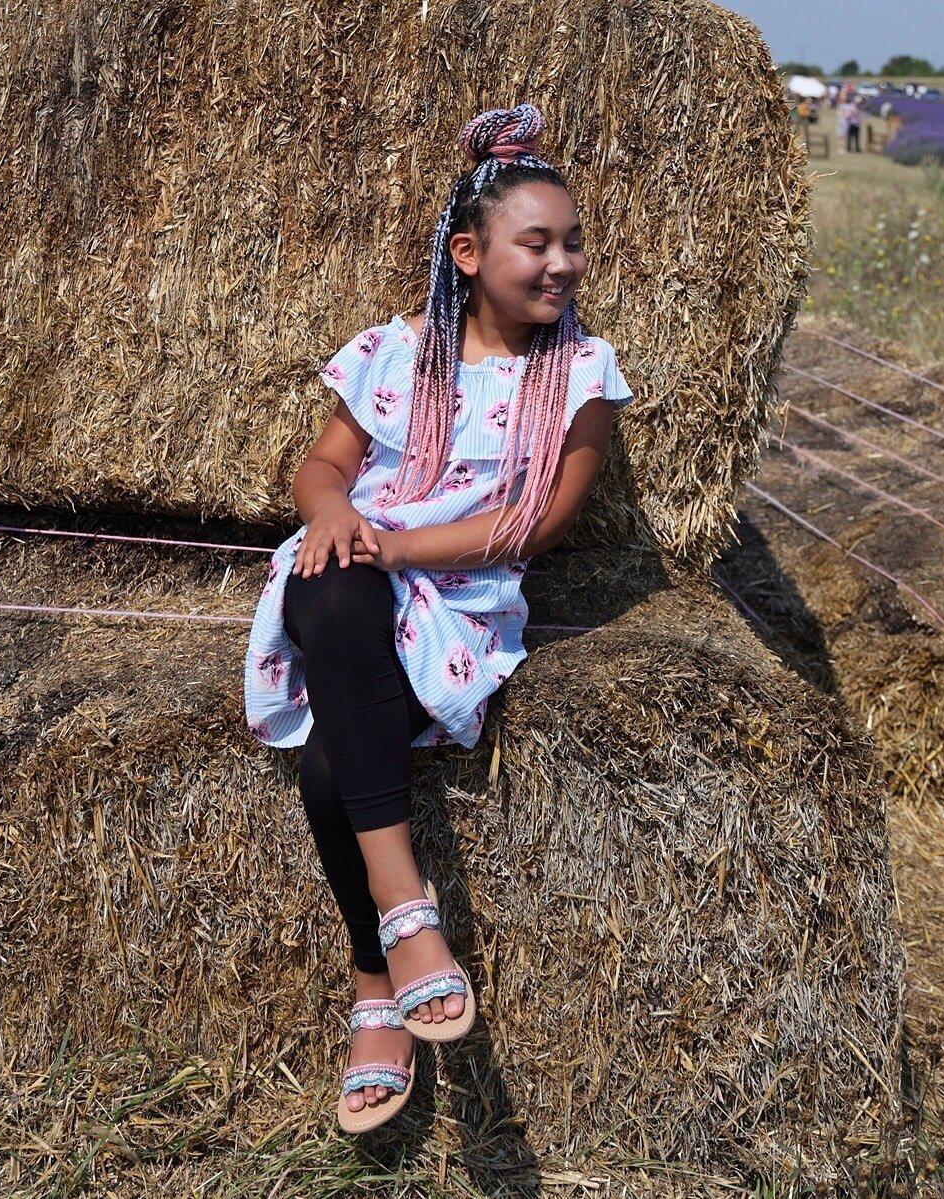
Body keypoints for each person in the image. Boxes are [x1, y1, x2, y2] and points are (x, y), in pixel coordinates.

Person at [244, 102, 634, 1134]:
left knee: (334, 759)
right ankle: (408, 913)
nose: (563, 263)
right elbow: (322, 466)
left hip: (458, 589)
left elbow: (532, 527)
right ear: (467, 252)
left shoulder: (583, 378)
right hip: (356, 568)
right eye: (535, 242)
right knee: (327, 584)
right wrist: (335, 513)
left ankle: (374, 977)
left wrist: (392, 544)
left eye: (573, 242)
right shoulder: (394, 349)